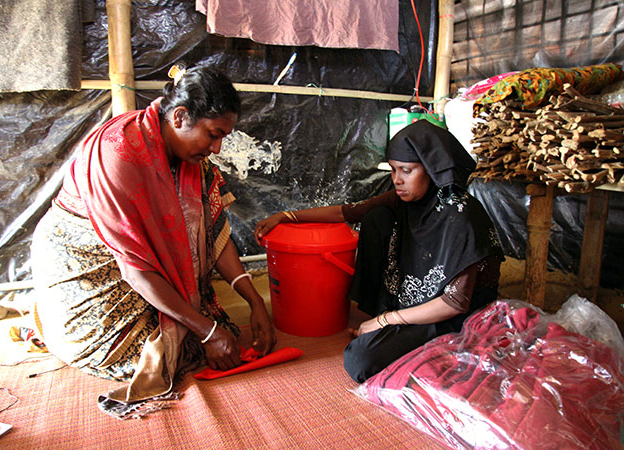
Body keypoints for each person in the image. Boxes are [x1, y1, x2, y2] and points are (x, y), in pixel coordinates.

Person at [31, 65, 275, 416]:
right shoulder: (119, 155)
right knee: (163, 356)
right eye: (212, 134)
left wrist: (255, 301)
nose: (217, 148)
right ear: (179, 117)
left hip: (139, 269)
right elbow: (134, 268)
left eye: (223, 137)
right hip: (88, 266)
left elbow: (214, 234)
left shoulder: (197, 164)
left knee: (207, 335)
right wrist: (207, 332)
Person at [254, 120, 503, 383]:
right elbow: (347, 211)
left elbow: (455, 303)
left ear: (431, 170)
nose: (397, 180)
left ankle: (438, 348)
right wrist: (287, 216)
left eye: (406, 171)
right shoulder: (407, 199)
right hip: (416, 304)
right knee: (377, 217)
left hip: (456, 316)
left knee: (359, 359)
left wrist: (386, 321)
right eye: (393, 170)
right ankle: (390, 326)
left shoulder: (460, 217)